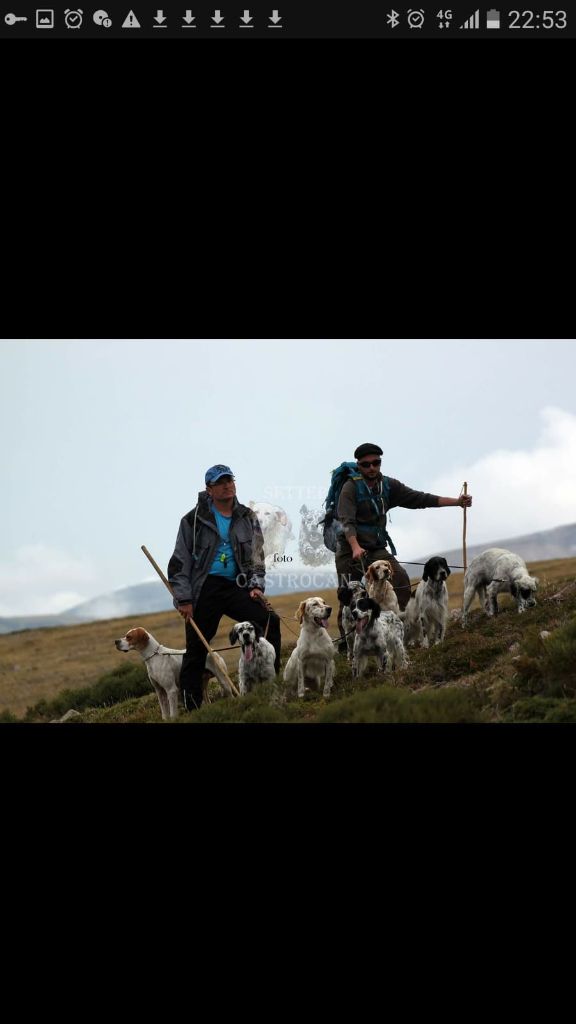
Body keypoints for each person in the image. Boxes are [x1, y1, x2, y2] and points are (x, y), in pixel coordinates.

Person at [167, 464, 281, 711]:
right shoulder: (192, 520)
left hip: (237, 586)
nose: (227, 485)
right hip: (205, 589)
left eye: (230, 480)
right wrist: (184, 599)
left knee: (269, 619)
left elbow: (257, 556)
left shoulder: (247, 516)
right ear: (209, 489)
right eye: (220, 482)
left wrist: (256, 586)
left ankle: (272, 686)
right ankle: (192, 706)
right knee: (197, 645)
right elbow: (179, 561)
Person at [335, 443, 473, 642]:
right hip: (349, 550)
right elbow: (346, 521)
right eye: (366, 465)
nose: (372, 467)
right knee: (348, 594)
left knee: (400, 580)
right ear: (359, 465)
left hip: (376, 547)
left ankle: (395, 630)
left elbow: (419, 499)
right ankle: (347, 641)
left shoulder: (389, 486)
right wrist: (355, 546)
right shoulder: (350, 488)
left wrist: (457, 502)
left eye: (376, 463)